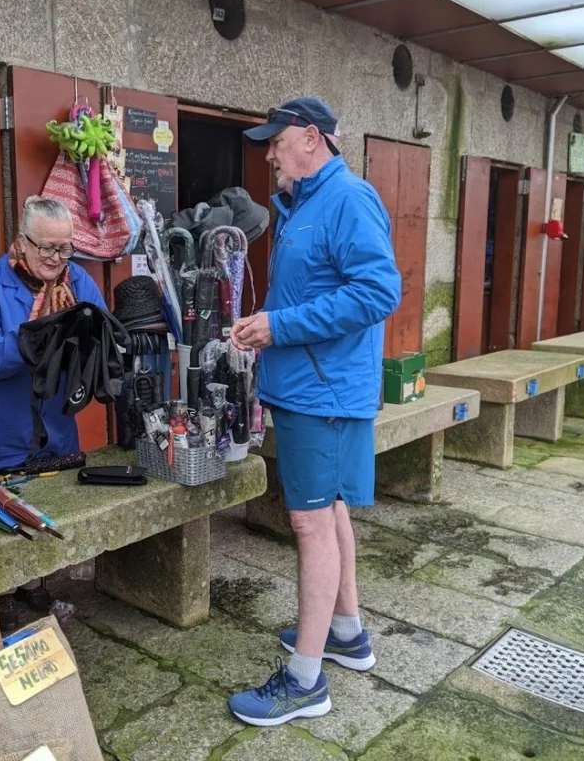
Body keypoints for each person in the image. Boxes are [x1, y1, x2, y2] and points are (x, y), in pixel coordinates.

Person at [227, 98, 401, 726]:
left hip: (322, 395)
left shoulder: (347, 198)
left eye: (275, 141)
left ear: (310, 138)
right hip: (313, 388)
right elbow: (318, 290)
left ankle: (305, 680)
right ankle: (347, 633)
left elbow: (379, 291)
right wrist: (267, 327)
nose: (268, 153)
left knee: (310, 526)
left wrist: (278, 327)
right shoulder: (306, 204)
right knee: (329, 511)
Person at [0, 196, 107, 473]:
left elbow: (102, 338)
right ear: (23, 242)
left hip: (57, 436)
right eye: (47, 248)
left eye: (64, 248)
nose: (57, 259)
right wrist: (30, 341)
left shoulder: (79, 282)